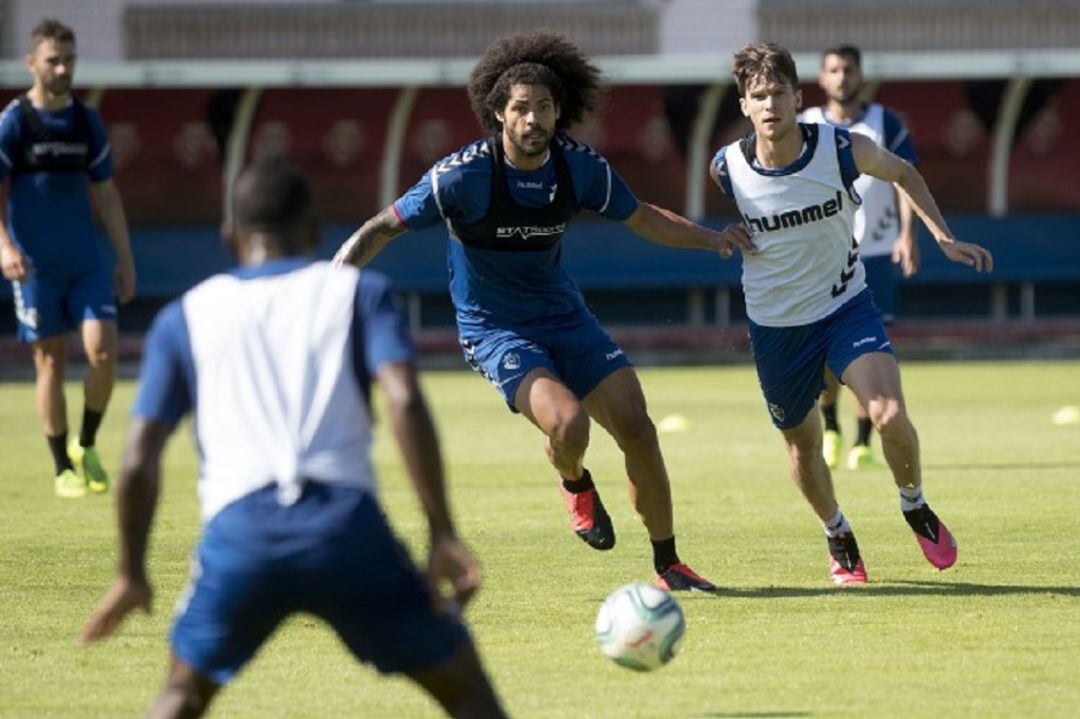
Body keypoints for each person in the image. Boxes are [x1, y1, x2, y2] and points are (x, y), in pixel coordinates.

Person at [81, 158, 507, 719]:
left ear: (230, 237)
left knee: (182, 693)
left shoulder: (183, 317)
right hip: (345, 530)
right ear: (312, 233)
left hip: (240, 537)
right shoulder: (359, 293)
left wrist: (131, 572)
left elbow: (139, 457)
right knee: (467, 690)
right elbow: (403, 400)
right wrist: (442, 531)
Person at [333, 32, 754, 591]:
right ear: (498, 114)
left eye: (545, 108)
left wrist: (713, 239)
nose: (534, 119)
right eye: (521, 108)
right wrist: (323, 290)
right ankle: (574, 481)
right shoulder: (462, 177)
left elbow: (643, 217)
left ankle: (668, 564)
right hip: (494, 329)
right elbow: (381, 227)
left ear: (560, 112)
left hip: (565, 316)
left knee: (637, 424)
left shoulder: (578, 168)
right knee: (568, 422)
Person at [709, 43, 992, 585]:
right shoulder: (726, 168)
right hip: (777, 326)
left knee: (888, 414)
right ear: (744, 104)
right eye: (758, 96)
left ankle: (914, 505)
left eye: (778, 94)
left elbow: (903, 172)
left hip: (845, 305)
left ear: (798, 97)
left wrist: (944, 238)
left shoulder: (842, 149)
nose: (770, 106)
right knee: (802, 444)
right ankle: (837, 532)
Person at [0, 18, 136, 498]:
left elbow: (108, 195)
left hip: (85, 263)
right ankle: (62, 467)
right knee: (50, 362)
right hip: (36, 267)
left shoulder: (85, 121)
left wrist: (124, 258)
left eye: (70, 59)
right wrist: (4, 246)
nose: (63, 68)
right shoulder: (15, 122)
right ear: (33, 63)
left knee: (103, 352)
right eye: (54, 60)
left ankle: (87, 442)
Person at [800, 44, 920, 472]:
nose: (842, 77)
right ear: (821, 77)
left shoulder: (885, 122)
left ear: (860, 74)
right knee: (827, 357)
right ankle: (831, 427)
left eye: (848, 69)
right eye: (833, 69)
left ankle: (863, 443)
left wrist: (908, 234)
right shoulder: (807, 125)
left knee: (870, 354)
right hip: (826, 259)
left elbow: (906, 178)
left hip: (877, 254)